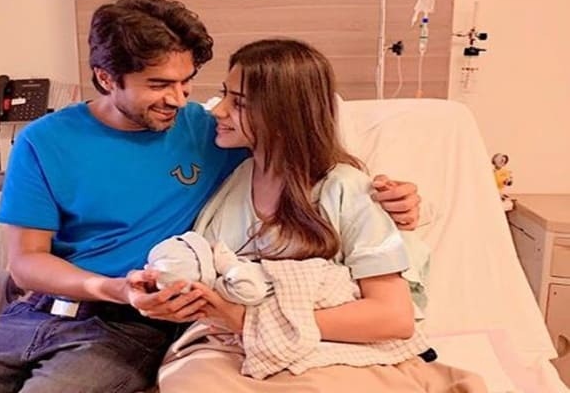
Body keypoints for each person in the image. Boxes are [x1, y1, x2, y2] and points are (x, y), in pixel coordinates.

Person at [0, 0, 422, 393]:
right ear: (107, 78)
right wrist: (110, 286)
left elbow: (300, 152)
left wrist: (396, 196)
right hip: (33, 313)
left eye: (187, 81)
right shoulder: (43, 141)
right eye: (159, 84)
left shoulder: (212, 133)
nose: (179, 99)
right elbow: (26, 261)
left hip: (131, 326)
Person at [158, 39, 487, 392]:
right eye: (225, 95)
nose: (218, 111)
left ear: (283, 113)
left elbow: (394, 316)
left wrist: (253, 321)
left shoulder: (346, 189)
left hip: (328, 347)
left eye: (238, 103)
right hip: (234, 350)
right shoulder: (233, 182)